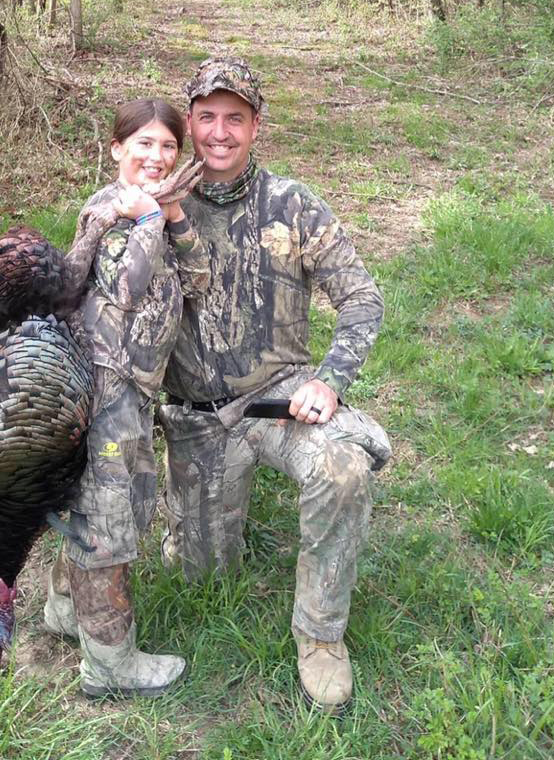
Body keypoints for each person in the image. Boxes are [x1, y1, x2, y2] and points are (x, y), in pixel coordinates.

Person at [157, 57, 392, 714]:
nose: (220, 132)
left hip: (276, 402)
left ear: (255, 126)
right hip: (194, 417)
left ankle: (319, 635)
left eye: (235, 118)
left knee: (342, 468)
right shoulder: (153, 206)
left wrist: (330, 379)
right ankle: (196, 514)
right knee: (200, 576)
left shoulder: (294, 204)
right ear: (189, 123)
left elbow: (362, 298)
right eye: (207, 117)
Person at [42, 98, 211, 699]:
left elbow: (198, 281)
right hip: (104, 390)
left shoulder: (157, 210)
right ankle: (109, 665)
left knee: (101, 507)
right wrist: (147, 219)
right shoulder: (109, 210)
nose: (157, 156)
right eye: (143, 143)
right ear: (117, 148)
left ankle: (65, 611)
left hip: (132, 392)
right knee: (106, 522)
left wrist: (172, 216)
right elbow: (128, 285)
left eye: (168, 146)